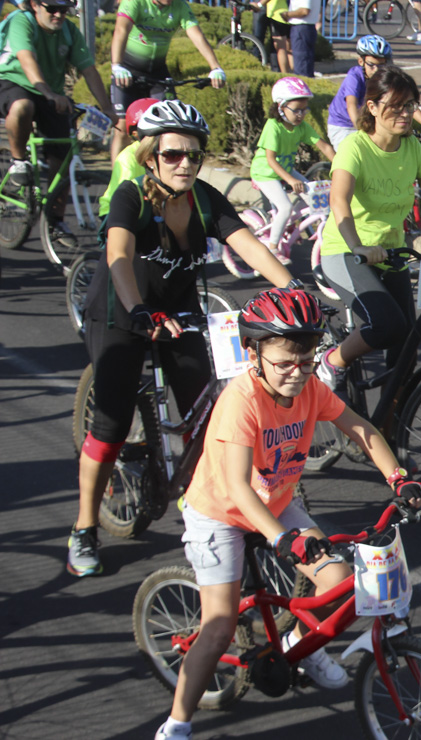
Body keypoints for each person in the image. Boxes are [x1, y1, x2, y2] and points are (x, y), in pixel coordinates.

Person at [152, 288, 421, 740]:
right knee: (219, 628)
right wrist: (284, 538)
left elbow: (360, 429)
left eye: (307, 361)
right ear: (253, 353)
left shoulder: (309, 388)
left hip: (275, 502)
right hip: (221, 513)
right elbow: (238, 488)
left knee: (340, 582)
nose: (297, 374)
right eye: (284, 363)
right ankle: (176, 725)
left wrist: (399, 478)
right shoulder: (241, 403)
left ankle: (299, 644)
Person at [67, 101, 296, 578]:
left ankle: (213, 510)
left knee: (208, 415)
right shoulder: (132, 196)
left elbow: (246, 243)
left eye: (193, 155)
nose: (185, 164)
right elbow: (119, 255)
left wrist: (291, 288)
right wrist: (137, 308)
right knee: (109, 427)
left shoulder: (205, 199)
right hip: (121, 311)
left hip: (179, 311)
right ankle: (84, 526)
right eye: (173, 154)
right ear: (151, 156)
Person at [315, 66, 421, 397]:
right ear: (374, 106)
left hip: (391, 252)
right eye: (397, 106)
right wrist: (358, 246)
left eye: (411, 105)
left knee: (407, 342)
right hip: (346, 251)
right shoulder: (356, 148)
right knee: (385, 324)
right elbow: (339, 201)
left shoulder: (411, 148)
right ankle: (332, 361)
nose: (406, 113)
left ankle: (391, 425)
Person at [0, 0, 117, 246]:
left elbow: (88, 69)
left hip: (50, 92)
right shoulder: (21, 21)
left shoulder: (69, 31)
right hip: (13, 82)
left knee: (64, 154)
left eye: (63, 10)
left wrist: (107, 107)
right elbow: (26, 59)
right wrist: (49, 94)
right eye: (51, 8)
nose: (58, 14)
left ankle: (55, 220)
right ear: (34, 5)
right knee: (23, 106)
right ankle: (19, 162)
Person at [110, 0, 227, 162]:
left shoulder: (180, 6)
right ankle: (117, 178)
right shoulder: (135, 2)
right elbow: (121, 29)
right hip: (128, 71)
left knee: (167, 124)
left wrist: (215, 67)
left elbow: (196, 35)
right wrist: (116, 64)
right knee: (122, 128)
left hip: (158, 72)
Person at [249, 77, 336, 264]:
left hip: (286, 171)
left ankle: (290, 224)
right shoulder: (273, 127)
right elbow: (271, 160)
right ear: (281, 107)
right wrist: (289, 180)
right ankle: (272, 248)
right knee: (286, 206)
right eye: (296, 110)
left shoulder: (301, 126)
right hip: (265, 173)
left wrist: (343, 169)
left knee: (313, 195)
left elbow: (325, 147)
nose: (302, 114)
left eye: (305, 109)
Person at [326, 35, 421, 150]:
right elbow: (351, 105)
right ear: (361, 61)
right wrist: (363, 132)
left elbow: (406, 103)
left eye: (381, 65)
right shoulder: (354, 77)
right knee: (361, 157)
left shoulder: (385, 78)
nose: (376, 70)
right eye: (371, 65)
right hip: (343, 126)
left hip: (368, 121)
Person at [98, 97, 158, 220]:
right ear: (135, 133)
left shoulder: (161, 153)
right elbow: (124, 198)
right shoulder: (129, 158)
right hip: (116, 212)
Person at [281, 0, 320, 78]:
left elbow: (304, 11)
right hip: (306, 27)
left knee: (302, 71)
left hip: (301, 27)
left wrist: (287, 14)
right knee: (306, 67)